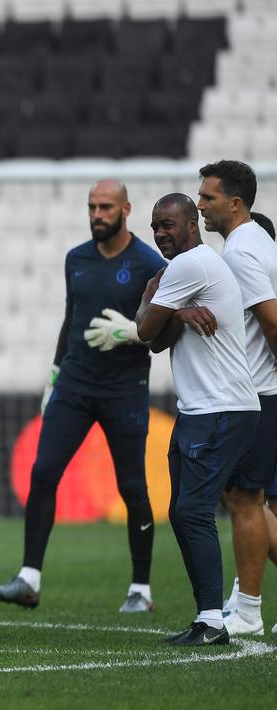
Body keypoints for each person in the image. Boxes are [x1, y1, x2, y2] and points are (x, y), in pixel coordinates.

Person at [0, 180, 165, 613]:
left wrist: (132, 332)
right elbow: (71, 318)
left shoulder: (149, 264)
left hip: (124, 388)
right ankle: (29, 579)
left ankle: (141, 588)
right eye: (91, 207)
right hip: (75, 384)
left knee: (132, 486)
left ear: (126, 209)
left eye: (106, 207)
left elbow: (163, 330)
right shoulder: (76, 259)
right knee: (44, 472)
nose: (97, 214)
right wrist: (54, 373)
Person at [136, 193, 259, 646]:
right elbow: (157, 341)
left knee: (193, 511)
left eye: (168, 224)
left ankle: (212, 621)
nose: (159, 233)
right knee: (183, 511)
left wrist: (154, 299)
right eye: (155, 226)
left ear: (192, 224)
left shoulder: (188, 266)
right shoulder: (191, 268)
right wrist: (179, 311)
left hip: (219, 408)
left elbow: (145, 328)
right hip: (203, 408)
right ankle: (207, 617)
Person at [196, 161, 277, 637]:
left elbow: (271, 321)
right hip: (261, 392)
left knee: (245, 498)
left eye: (208, 197)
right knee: (247, 498)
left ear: (235, 202)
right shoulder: (258, 242)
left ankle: (247, 609)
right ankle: (244, 602)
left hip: (257, 393)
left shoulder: (243, 251)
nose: (200, 204)